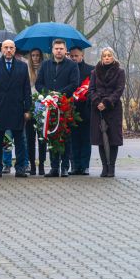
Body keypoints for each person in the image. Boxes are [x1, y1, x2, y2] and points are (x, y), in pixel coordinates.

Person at [35, 39, 79, 177]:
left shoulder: (72, 65)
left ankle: (65, 167)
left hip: (65, 106)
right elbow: (38, 83)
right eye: (56, 48)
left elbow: (74, 83)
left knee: (65, 137)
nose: (59, 51)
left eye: (61, 48)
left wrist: (59, 94)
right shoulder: (45, 65)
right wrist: (49, 94)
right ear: (52, 50)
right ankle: (54, 167)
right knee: (52, 136)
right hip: (49, 106)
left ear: (65, 50)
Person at [0, 40, 31, 178]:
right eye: (6, 47)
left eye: (11, 48)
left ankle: (20, 168)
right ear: (1, 49)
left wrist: (27, 109)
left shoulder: (23, 67)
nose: (8, 50)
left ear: (14, 49)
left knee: (20, 141)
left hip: (17, 108)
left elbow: (26, 90)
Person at [90, 47, 126, 177]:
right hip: (97, 108)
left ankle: (112, 167)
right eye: (104, 55)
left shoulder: (120, 71)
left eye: (109, 55)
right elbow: (92, 89)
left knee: (113, 139)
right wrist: (97, 102)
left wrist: (106, 102)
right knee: (100, 139)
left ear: (113, 57)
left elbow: (119, 89)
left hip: (113, 108)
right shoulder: (94, 72)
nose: (106, 57)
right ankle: (104, 167)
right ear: (101, 58)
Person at [69, 46, 94, 175]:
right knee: (73, 139)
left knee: (85, 139)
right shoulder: (66, 69)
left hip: (86, 109)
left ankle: (85, 166)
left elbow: (93, 88)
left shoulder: (91, 70)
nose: (73, 58)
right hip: (70, 109)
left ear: (82, 56)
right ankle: (74, 165)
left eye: (76, 56)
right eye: (71, 56)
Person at [26, 48, 46, 175]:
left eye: (38, 55)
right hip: (30, 107)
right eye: (33, 55)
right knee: (30, 138)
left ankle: (42, 164)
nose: (35, 58)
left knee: (42, 138)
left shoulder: (45, 69)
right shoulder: (26, 71)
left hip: (43, 107)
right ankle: (32, 164)